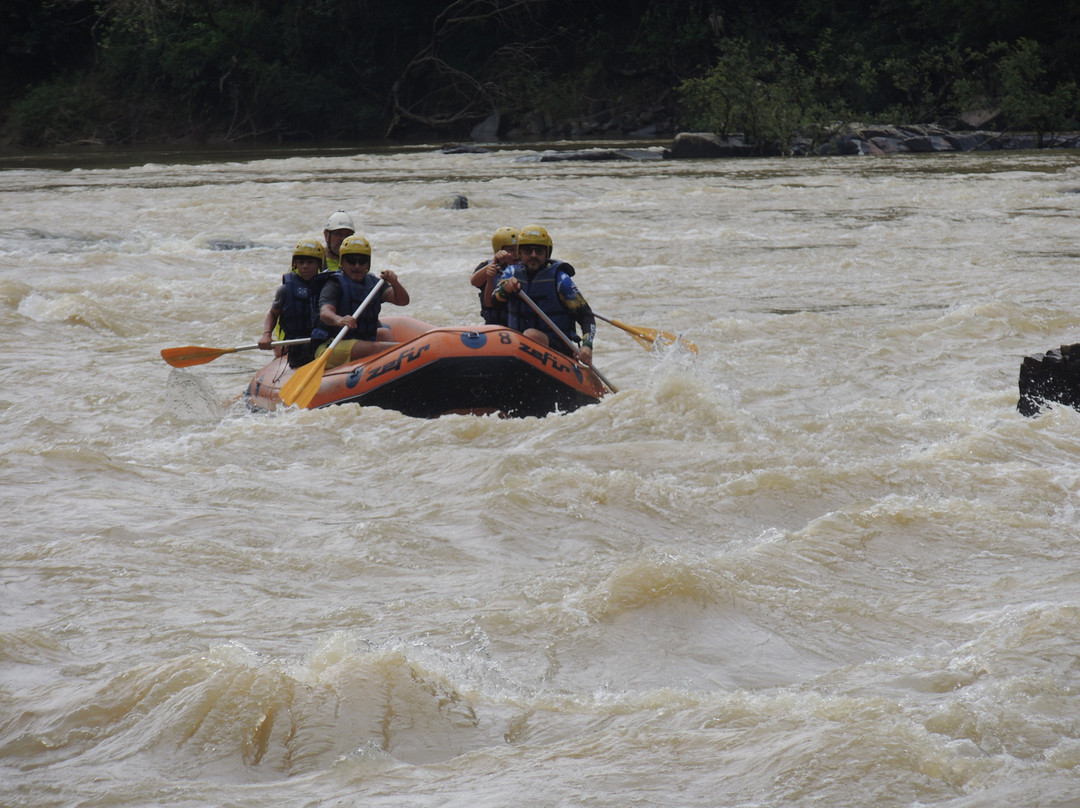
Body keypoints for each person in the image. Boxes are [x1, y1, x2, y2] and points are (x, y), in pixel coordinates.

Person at [492, 224, 596, 366]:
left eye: (539, 251)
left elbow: (586, 316)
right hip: (516, 344)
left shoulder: (561, 280)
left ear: (546, 254)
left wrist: (587, 346)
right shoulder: (511, 273)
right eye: (528, 250)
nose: (533, 255)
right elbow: (494, 302)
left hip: (556, 346)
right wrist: (505, 289)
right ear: (520, 253)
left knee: (531, 335)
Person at [313, 234, 410, 369]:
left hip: (362, 340)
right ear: (342, 262)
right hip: (333, 344)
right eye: (351, 261)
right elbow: (325, 312)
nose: (357, 266)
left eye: (362, 261)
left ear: (368, 264)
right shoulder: (334, 284)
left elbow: (402, 301)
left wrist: (395, 282)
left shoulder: (374, 283)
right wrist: (338, 320)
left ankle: (398, 373)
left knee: (385, 333)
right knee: (378, 347)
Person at [257, 236, 324, 367]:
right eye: (301, 262)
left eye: (310, 262)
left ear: (319, 264)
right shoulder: (285, 290)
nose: (305, 266)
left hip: (320, 343)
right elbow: (272, 314)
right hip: (295, 346)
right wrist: (267, 335)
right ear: (295, 264)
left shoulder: (328, 288)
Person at [470, 227, 518, 325]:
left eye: (519, 249)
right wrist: (495, 263)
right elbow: (474, 281)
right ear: (499, 250)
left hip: (516, 324)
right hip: (494, 324)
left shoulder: (526, 268)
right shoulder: (488, 266)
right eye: (511, 250)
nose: (516, 254)